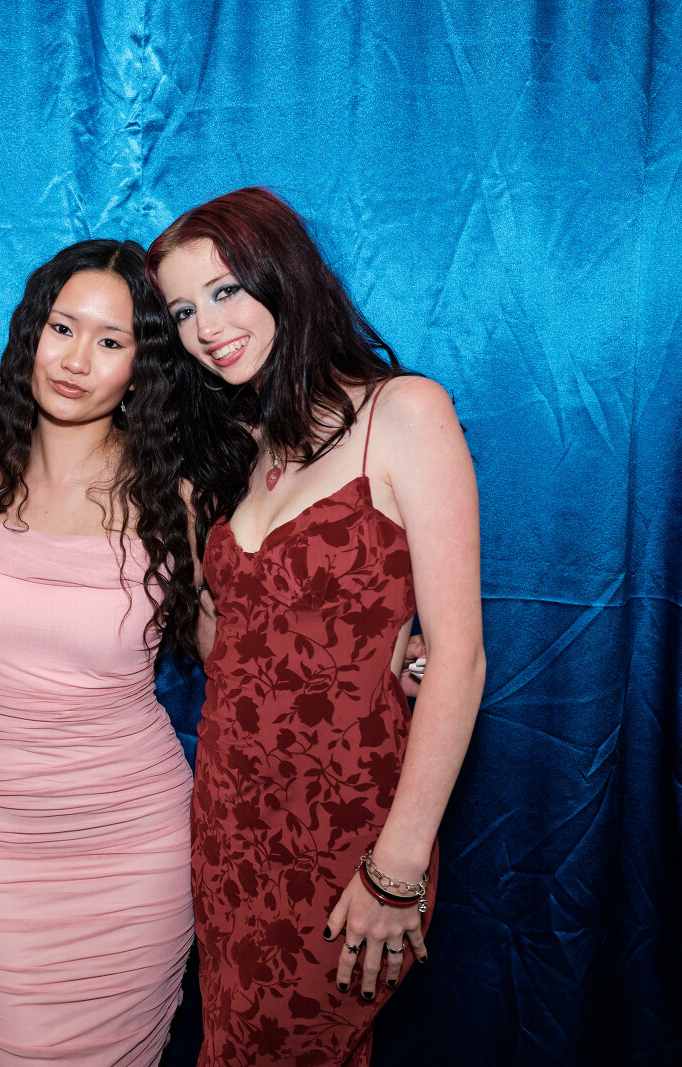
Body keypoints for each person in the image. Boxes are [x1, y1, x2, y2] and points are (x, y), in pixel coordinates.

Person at [148, 187, 485, 1065]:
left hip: (347, 833)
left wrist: (397, 866)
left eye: (225, 290)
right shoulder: (247, 447)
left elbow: (459, 657)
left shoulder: (402, 413)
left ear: (282, 274)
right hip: (230, 822)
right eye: (182, 311)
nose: (204, 327)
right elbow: (229, 657)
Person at [0, 239, 198, 1065]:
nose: (77, 359)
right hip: (0, 845)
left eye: (110, 341)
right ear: (31, 336)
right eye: (62, 327)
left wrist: (385, 652)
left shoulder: (171, 499)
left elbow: (242, 652)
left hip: (134, 844)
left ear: (140, 370)